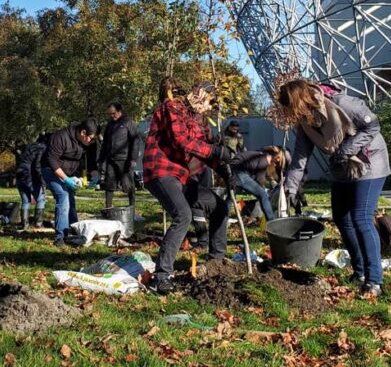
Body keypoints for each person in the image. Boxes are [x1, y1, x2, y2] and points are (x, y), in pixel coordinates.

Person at [279, 79, 391, 297]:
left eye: (292, 108)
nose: (293, 115)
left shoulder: (342, 103)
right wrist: (290, 188)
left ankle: (374, 280)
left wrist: (345, 149)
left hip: (369, 162)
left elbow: (373, 126)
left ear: (301, 100)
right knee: (342, 218)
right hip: (342, 167)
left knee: (361, 218)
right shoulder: (305, 122)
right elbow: (300, 157)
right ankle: (359, 272)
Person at [143, 77, 234, 294]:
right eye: (208, 101)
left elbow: (202, 147)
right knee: (183, 215)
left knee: (219, 206)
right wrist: (214, 151)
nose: (207, 108)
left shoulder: (197, 119)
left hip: (180, 176)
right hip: (160, 171)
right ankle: (162, 275)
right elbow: (181, 141)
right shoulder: (171, 106)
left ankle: (216, 262)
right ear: (199, 93)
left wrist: (223, 168)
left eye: (210, 105)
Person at [42, 119, 98, 246]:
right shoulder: (60, 137)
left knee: (71, 200)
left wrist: (94, 175)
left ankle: (73, 230)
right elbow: (51, 160)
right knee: (63, 196)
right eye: (90, 138)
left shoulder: (89, 142)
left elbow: (91, 160)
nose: (91, 142)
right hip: (50, 170)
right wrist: (65, 179)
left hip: (69, 172)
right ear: (83, 133)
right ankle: (60, 237)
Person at [99, 102, 141, 211]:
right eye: (110, 114)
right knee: (109, 185)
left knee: (129, 186)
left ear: (119, 111)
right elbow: (105, 143)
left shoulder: (128, 122)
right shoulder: (110, 124)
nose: (111, 116)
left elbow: (135, 141)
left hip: (125, 160)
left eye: (113, 113)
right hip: (111, 160)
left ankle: (132, 209)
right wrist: (101, 159)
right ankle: (108, 208)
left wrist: (133, 158)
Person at [231, 145, 290, 222]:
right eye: (277, 163)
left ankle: (222, 218)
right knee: (263, 194)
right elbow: (260, 181)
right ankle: (272, 222)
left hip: (232, 169)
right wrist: (266, 192)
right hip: (237, 172)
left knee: (230, 198)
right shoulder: (264, 160)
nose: (275, 165)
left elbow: (258, 178)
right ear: (277, 158)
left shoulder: (261, 155)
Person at [15, 135, 48, 230]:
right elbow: (37, 165)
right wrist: (42, 181)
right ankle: (38, 223)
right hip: (30, 177)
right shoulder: (42, 148)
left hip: (20, 175)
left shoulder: (29, 147)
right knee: (41, 199)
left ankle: (24, 224)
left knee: (25, 201)